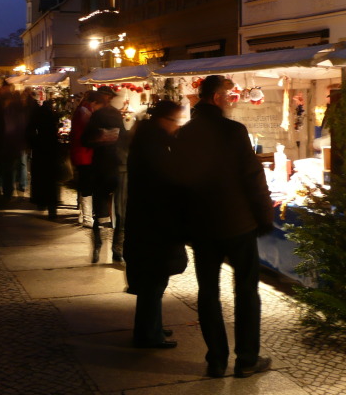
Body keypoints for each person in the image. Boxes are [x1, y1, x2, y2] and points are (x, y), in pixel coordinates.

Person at [172, 75, 274, 379]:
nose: (232, 101)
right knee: (246, 291)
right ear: (216, 98)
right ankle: (246, 359)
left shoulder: (184, 134)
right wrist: (264, 216)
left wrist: (183, 222)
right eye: (229, 96)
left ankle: (216, 360)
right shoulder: (233, 131)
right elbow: (252, 177)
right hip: (237, 223)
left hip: (203, 227)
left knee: (207, 293)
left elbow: (177, 183)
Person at [124, 100, 188, 349]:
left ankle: (153, 326)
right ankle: (148, 334)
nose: (177, 126)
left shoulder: (149, 138)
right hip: (154, 223)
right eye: (175, 121)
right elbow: (164, 180)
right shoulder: (154, 143)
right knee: (154, 279)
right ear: (164, 120)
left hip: (148, 220)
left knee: (154, 280)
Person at [81, 87, 127, 263]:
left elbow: (86, 140)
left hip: (108, 166)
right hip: (109, 166)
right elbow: (86, 139)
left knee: (109, 211)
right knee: (112, 211)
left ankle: (107, 247)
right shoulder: (102, 115)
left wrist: (100, 138)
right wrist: (101, 138)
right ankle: (108, 247)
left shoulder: (105, 114)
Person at [69, 91, 100, 227]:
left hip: (81, 153)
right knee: (87, 184)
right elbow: (89, 131)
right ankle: (87, 217)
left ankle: (83, 214)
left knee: (84, 183)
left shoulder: (82, 109)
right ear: (94, 102)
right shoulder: (85, 111)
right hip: (85, 153)